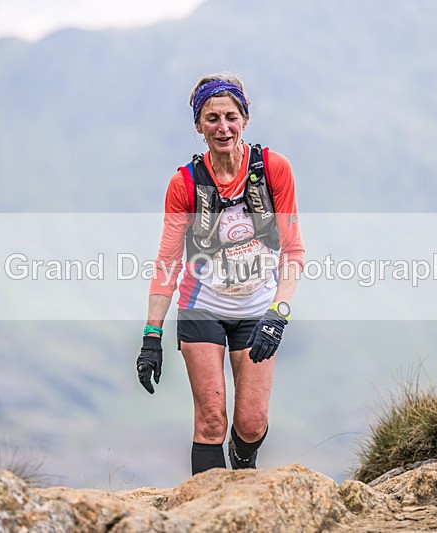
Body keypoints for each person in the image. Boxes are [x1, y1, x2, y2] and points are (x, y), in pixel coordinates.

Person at [136, 73, 305, 475]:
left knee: (251, 423)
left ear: (245, 119)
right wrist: (151, 337)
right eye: (211, 118)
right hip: (202, 307)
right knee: (212, 420)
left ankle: (243, 470)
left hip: (259, 309)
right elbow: (167, 264)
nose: (222, 127)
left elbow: (293, 250)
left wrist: (278, 314)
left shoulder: (273, 170)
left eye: (231, 116)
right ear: (198, 125)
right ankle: (207, 510)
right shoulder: (185, 183)